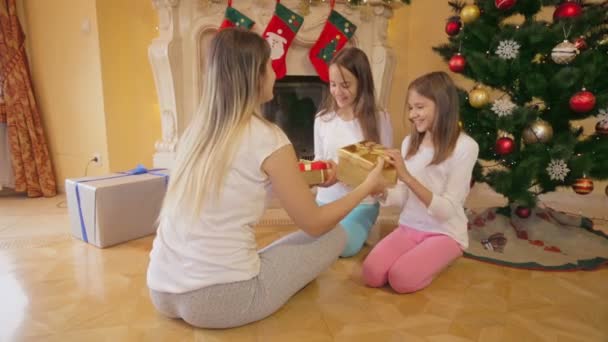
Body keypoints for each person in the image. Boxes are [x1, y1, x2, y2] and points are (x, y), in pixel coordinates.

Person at [146, 29, 387, 329]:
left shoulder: (196, 131)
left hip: (161, 288)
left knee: (275, 249)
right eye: (270, 66)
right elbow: (314, 223)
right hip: (222, 299)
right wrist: (367, 185)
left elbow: (242, 182)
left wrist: (309, 179)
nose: (275, 73)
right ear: (255, 76)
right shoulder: (267, 137)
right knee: (334, 234)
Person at [362, 71, 479, 293]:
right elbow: (402, 196)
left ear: (442, 105)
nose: (412, 114)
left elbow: (446, 211)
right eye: (410, 107)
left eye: (420, 107)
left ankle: (444, 255)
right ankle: (420, 258)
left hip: (444, 232)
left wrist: (406, 175)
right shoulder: (409, 143)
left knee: (401, 279)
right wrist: (381, 192)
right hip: (410, 226)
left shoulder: (465, 147)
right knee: (371, 273)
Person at [313, 47, 393, 257]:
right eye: (332, 84)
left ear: (362, 83)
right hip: (326, 201)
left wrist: (345, 173)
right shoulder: (323, 119)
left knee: (342, 248)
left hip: (361, 204)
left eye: (345, 85)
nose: (337, 91)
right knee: (312, 240)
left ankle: (354, 229)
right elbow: (319, 158)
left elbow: (385, 170)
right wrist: (316, 174)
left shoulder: (379, 118)